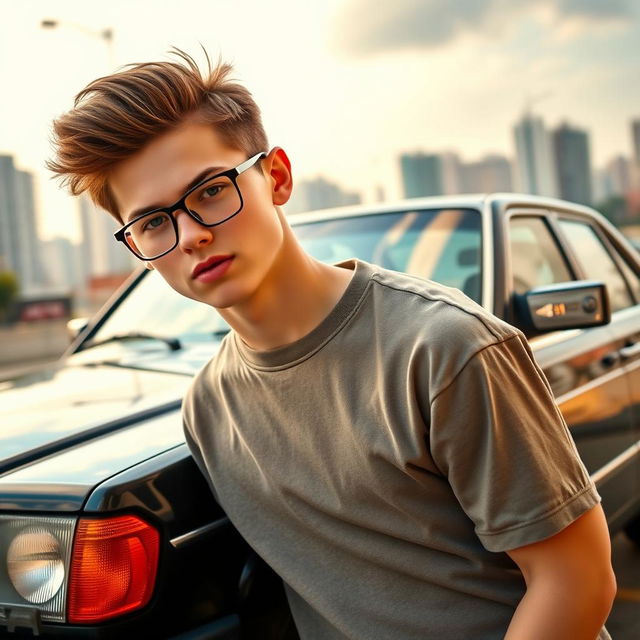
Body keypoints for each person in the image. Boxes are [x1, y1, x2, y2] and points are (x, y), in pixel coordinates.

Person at [49, 50, 616, 639]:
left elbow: (576, 581)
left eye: (212, 190)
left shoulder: (443, 347)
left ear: (277, 178)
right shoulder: (209, 407)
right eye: (153, 223)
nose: (191, 234)